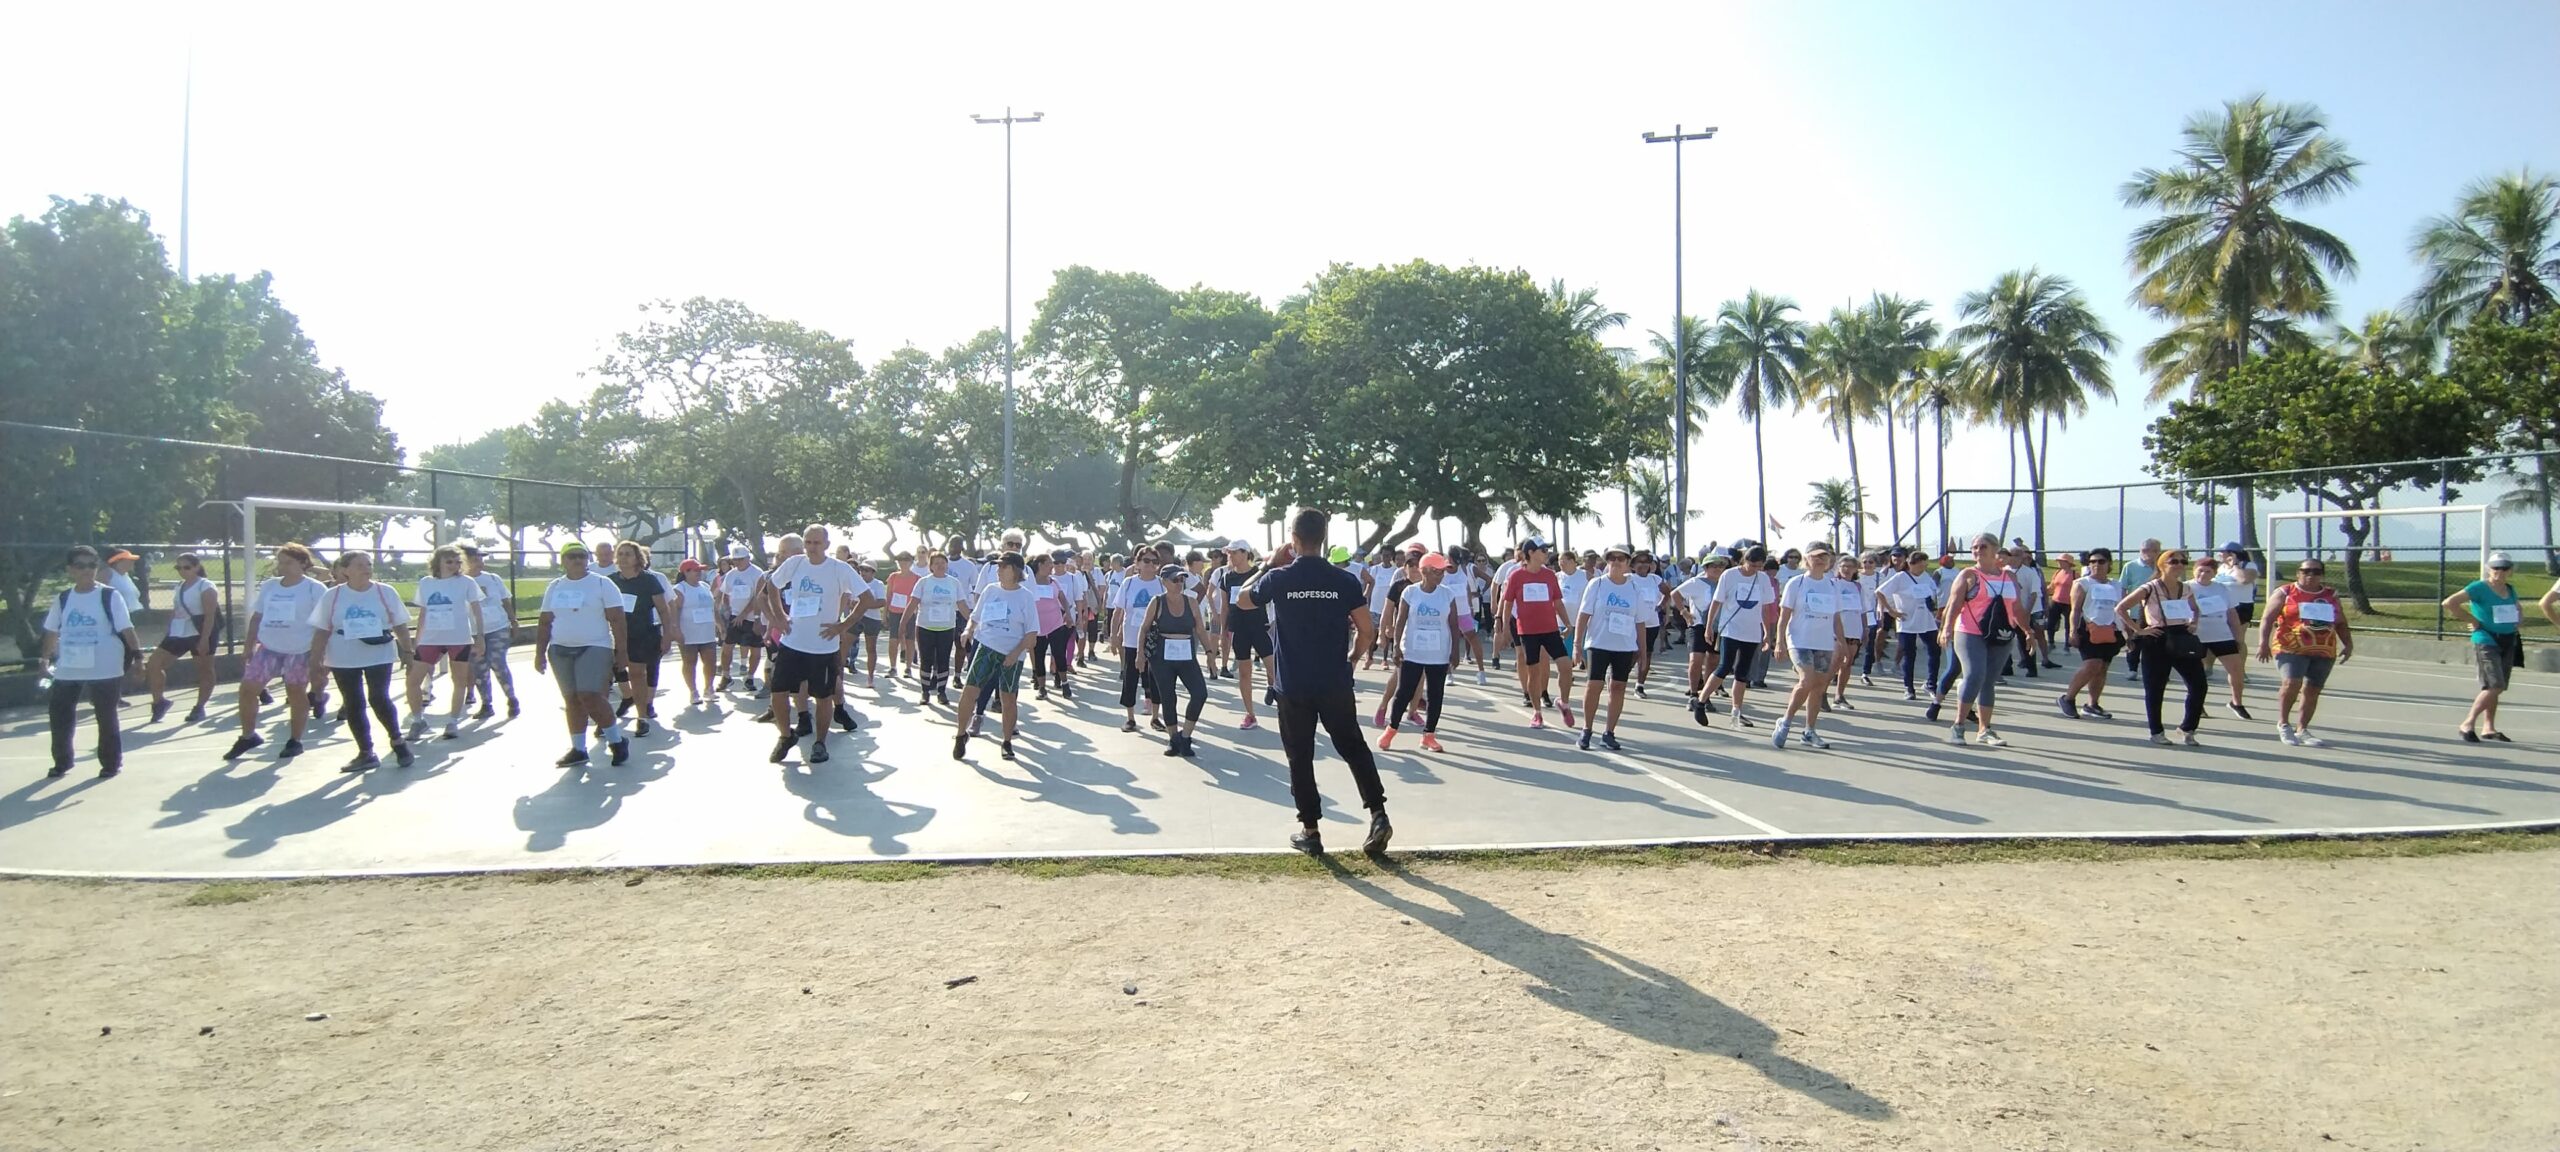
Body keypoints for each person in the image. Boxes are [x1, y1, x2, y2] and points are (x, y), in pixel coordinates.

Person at [1233, 509, 1392, 856]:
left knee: (1299, 756)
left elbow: (1242, 599)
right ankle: (1378, 813)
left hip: (1294, 684)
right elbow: (1368, 630)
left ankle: (1311, 829)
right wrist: (1352, 659)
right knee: (1353, 747)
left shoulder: (1279, 578)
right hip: (1334, 680)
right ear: (1324, 539)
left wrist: (1267, 565)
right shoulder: (1345, 580)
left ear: (1293, 539)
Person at [758, 526, 871, 765]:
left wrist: (842, 626)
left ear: (827, 545)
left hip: (823, 647)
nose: (812, 547)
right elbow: (771, 586)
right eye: (808, 542)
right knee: (778, 692)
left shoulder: (839, 569)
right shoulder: (795, 563)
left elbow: (867, 599)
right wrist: (779, 617)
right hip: (793, 642)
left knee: (823, 697)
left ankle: (820, 743)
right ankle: (786, 736)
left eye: (817, 543)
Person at [307, 552, 416, 772]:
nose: (366, 568)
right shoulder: (333, 596)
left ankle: (398, 741)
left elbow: (400, 625)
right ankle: (366, 752)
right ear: (345, 570)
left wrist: (407, 651)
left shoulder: (385, 592)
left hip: (378, 653)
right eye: (359, 565)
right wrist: (314, 660)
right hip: (343, 655)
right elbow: (322, 630)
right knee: (353, 702)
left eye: (368, 564)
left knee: (378, 697)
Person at [39, 546, 142, 779]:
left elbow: (127, 628)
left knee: (106, 715)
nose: (87, 570)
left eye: (91, 565)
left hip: (104, 665)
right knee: (60, 713)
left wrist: (138, 657)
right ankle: (62, 762)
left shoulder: (109, 595)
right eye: (80, 566)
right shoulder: (64, 598)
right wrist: (44, 658)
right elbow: (52, 631)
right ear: (70, 570)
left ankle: (110, 764)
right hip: (69, 666)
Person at [1930, 534, 2040, 746]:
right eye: (1975, 547)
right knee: (1974, 675)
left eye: (1983, 547)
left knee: (1989, 680)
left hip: (2001, 633)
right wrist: (1946, 629)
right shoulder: (1968, 574)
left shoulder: (2008, 577)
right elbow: (1954, 604)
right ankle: (1958, 726)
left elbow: (2016, 608)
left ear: (1995, 550)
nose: (1978, 551)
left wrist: (2028, 631)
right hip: (1970, 632)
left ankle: (1984, 729)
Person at [226, 543, 327, 761]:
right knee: (247, 689)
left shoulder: (314, 589)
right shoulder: (271, 586)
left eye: (288, 562)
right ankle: (248, 735)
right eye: (280, 562)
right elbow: (257, 616)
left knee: (295, 691)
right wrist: (248, 646)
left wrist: (319, 656)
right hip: (269, 647)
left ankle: (295, 740)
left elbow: (324, 624)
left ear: (302, 563)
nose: (282, 566)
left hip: (300, 649)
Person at [534, 541, 630, 768]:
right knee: (572, 699)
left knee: (590, 695)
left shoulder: (601, 583)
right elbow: (545, 621)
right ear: (563, 560)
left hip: (595, 646)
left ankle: (616, 741)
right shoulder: (555, 586)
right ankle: (578, 748)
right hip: (560, 648)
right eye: (571, 556)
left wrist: (622, 651)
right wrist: (539, 653)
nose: (577, 560)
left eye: (581, 556)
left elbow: (617, 619)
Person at [951, 551, 1041, 762]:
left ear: (1014, 570)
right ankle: (960, 734)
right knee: (969, 691)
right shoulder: (991, 591)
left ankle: (1007, 742)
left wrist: (1015, 654)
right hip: (987, 648)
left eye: (1003, 566)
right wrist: (968, 631)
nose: (998, 570)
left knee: (1008, 699)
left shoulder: (1025, 596)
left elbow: (1031, 635)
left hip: (1012, 654)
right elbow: (975, 617)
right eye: (998, 566)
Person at [2118, 548, 2212, 745]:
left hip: (2181, 636)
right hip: (2157, 637)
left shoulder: (2185, 588)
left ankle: (2188, 728)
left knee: (2199, 684)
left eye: (2182, 562)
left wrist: (2193, 623)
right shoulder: (2150, 587)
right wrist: (2139, 630)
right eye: (2174, 561)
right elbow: (2121, 608)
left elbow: (2195, 609)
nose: (2179, 565)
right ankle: (2156, 731)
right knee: (2155, 687)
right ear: (2162, 565)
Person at [2257, 558, 2353, 747]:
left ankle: (2302, 728)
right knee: (2292, 683)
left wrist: (2348, 644)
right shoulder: (2286, 592)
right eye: (2306, 571)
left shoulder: (2330, 594)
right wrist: (2263, 643)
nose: (2311, 575)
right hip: (2290, 646)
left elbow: (2340, 621)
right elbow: (2267, 618)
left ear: (2322, 575)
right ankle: (2284, 723)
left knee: (2313, 689)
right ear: (2298, 573)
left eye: (2316, 572)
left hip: (2323, 648)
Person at [1381, 551, 1462, 751]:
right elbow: (1400, 622)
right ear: (1424, 571)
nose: (1441, 575)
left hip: (1438, 653)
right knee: (1403, 692)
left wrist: (1455, 651)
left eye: (1443, 572)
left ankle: (1429, 735)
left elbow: (1453, 624)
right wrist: (1396, 648)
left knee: (1436, 695)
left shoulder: (1447, 594)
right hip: (1412, 652)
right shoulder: (1410, 593)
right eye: (1436, 571)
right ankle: (1391, 729)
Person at [405, 544, 485, 742]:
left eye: (458, 562)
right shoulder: (426, 583)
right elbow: (423, 612)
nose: (454, 565)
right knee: (413, 680)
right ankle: (417, 720)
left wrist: (480, 636)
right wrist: (418, 637)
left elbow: (476, 609)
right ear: (438, 562)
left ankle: (453, 721)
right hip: (431, 640)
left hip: (459, 638)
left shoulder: (466, 582)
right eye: (449, 561)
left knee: (459, 681)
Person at [1772, 542, 1848, 749]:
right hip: (1799, 640)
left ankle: (1809, 730)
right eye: (1815, 556)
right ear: (1807, 559)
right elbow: (1784, 616)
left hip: (1823, 642)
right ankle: (1786, 721)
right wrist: (1779, 641)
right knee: (1806, 680)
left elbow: (1836, 618)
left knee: (1818, 686)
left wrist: (1842, 643)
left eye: (1824, 556)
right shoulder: (1796, 583)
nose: (1820, 560)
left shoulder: (1833, 585)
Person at [1572, 546, 1649, 750]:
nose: (1616, 561)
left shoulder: (1634, 588)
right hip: (1598, 644)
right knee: (1594, 685)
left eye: (1621, 558)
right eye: (1612, 558)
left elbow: (1640, 622)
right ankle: (1587, 729)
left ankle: (1609, 732)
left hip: (1624, 646)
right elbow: (1583, 615)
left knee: (1618, 687)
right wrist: (1577, 644)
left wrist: (1643, 651)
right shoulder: (1597, 585)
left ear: (1627, 562)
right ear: (1607, 561)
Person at [2444, 552, 2525, 743]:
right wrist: (2473, 621)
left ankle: (2489, 727)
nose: (2500, 572)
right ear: (2489, 568)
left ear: (2511, 570)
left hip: (2508, 638)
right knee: (2494, 684)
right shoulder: (2479, 587)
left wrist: (2518, 620)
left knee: (2498, 686)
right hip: (2486, 638)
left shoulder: (2509, 589)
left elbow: (2517, 607)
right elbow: (2450, 603)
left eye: (2504, 568)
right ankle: (2468, 723)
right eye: (2496, 567)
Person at [1694, 545, 1777, 728]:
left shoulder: (1763, 579)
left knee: (1742, 673)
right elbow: (1717, 602)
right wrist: (1708, 627)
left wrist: (1767, 634)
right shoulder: (1729, 575)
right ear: (1744, 560)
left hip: (1752, 632)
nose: (1754, 569)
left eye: (1758, 566)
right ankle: (1701, 701)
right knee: (1724, 667)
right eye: (1751, 564)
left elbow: (1765, 608)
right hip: (1731, 629)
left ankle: (1737, 711)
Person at [1133, 561, 1211, 756]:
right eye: (1175, 580)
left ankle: (1186, 736)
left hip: (1186, 654)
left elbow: (1200, 629)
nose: (1179, 583)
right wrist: (1140, 654)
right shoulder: (1157, 602)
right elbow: (1143, 629)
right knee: (1168, 697)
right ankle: (1173, 738)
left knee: (1200, 693)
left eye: (1182, 579)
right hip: (1162, 656)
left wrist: (1210, 653)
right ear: (1164, 581)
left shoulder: (1191, 602)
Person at [1500, 539, 1577, 731]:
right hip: (1528, 632)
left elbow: (1557, 602)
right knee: (1534, 673)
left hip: (1550, 629)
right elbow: (1507, 603)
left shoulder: (1549, 575)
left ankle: (1564, 703)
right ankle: (1537, 713)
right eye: (1543, 550)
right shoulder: (1516, 576)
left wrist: (1567, 623)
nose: (1546, 553)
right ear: (1531, 552)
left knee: (1566, 666)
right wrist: (1504, 629)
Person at [606, 541, 678, 737]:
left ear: (638, 558)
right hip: (614, 635)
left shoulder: (649, 580)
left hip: (643, 634)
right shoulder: (610, 581)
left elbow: (663, 609)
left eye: (628, 554)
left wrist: (668, 635)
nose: (623, 558)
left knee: (637, 674)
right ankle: (604, 722)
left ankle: (642, 717)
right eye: (620, 554)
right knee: (605, 677)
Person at [145, 551, 222, 724]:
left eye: (186, 567)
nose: (182, 571)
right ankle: (159, 702)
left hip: (201, 631)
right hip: (179, 631)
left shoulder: (205, 586)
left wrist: (204, 639)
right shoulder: (180, 586)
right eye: (178, 567)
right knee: (154, 664)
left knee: (204, 669)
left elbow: (210, 616)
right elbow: (176, 609)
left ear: (196, 567)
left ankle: (200, 706)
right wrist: (169, 629)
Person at [2057, 548, 2126, 720]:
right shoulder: (2083, 583)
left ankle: (2092, 704)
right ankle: (2068, 698)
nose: (2096, 565)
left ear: (2109, 564)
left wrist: (2128, 632)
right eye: (2092, 562)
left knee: (2102, 668)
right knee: (2092, 665)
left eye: (2101, 561)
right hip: (2088, 628)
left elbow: (2121, 610)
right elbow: (2076, 609)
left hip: (2111, 630)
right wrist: (2072, 631)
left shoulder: (2116, 585)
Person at [1214, 541, 1272, 730]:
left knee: (1274, 671)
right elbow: (1224, 607)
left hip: (1260, 627)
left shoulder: (1259, 573)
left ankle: (1276, 691)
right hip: (1239, 629)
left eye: (1232, 552)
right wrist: (1223, 632)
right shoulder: (1226, 577)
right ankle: (1250, 715)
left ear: (1244, 553)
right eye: (1228, 553)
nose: (1229, 556)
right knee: (1244, 673)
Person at [461, 545, 520, 720]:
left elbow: (505, 600)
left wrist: (513, 620)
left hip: (497, 627)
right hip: (472, 631)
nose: (479, 562)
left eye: (481, 558)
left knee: (497, 661)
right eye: (474, 559)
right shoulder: (460, 582)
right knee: (479, 667)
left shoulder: (493, 579)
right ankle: (486, 704)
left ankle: (512, 698)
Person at [1110, 550, 1167, 732]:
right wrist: (1113, 636)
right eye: (1146, 561)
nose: (1151, 565)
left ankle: (1156, 717)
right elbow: (1118, 611)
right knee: (1130, 678)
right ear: (1137, 563)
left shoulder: (1160, 584)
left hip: (1154, 640)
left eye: (1154, 562)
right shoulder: (1128, 583)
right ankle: (1130, 717)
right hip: (1131, 640)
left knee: (1155, 679)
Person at [2191, 555, 2251, 719]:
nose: (2203, 574)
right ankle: (2198, 705)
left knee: (2236, 670)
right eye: (2200, 570)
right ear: (2194, 570)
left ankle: (2236, 702)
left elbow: (2231, 613)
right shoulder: (2186, 587)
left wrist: (2238, 636)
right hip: (2197, 636)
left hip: (2221, 634)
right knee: (2199, 674)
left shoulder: (2221, 588)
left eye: (2208, 571)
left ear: (2214, 573)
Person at [1878, 550, 1942, 701]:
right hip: (1907, 621)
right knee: (1909, 654)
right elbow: (1880, 592)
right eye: (1921, 565)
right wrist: (1892, 611)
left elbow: (1934, 595)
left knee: (1935, 651)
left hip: (1926, 620)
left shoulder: (1926, 577)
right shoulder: (1901, 577)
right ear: (1911, 564)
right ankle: (1909, 687)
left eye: (1925, 565)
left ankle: (1931, 683)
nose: (1923, 568)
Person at [907, 550, 966, 707]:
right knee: (925, 660)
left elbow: (962, 606)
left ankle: (941, 691)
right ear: (930, 566)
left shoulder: (954, 583)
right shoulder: (924, 582)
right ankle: (925, 691)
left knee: (943, 660)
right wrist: (903, 623)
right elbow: (912, 603)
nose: (940, 566)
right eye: (936, 563)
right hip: (925, 627)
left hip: (946, 628)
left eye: (943, 563)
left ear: (947, 565)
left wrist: (974, 623)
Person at [716, 545, 767, 694]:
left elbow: (757, 597)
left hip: (753, 618)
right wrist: (722, 608)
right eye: (735, 560)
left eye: (740, 559)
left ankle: (750, 678)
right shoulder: (731, 574)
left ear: (748, 558)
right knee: (727, 647)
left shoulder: (757, 574)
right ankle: (726, 676)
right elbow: (724, 592)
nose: (737, 563)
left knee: (755, 649)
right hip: (734, 616)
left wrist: (744, 614)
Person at [671, 557, 722, 707]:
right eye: (695, 570)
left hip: (706, 632)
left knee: (711, 662)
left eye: (700, 570)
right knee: (690, 662)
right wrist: (676, 630)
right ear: (686, 572)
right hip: (689, 633)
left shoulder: (705, 586)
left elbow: (713, 608)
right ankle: (693, 691)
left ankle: (709, 688)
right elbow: (675, 611)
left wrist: (721, 626)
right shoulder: (680, 589)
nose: (699, 573)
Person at [1829, 553, 1868, 713]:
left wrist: (1865, 628)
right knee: (1835, 661)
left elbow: (1863, 610)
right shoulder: (1833, 583)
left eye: (1850, 566)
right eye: (1844, 566)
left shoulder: (1857, 587)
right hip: (1838, 628)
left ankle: (1839, 694)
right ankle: (1821, 692)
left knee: (1847, 662)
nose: (1847, 569)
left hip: (1854, 627)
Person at [2120, 538, 2163, 681]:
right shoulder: (2130, 566)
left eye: (2154, 550)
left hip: (2157, 612)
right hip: (2135, 610)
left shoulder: (2163, 567)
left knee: (2155, 642)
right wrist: (2124, 607)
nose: (2149, 554)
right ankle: (2132, 668)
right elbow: (2123, 588)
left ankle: (2155, 670)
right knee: (2135, 641)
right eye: (2144, 550)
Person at [884, 551, 920, 681]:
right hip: (894, 612)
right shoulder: (893, 577)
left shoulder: (917, 578)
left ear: (911, 562)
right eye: (900, 560)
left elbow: (918, 598)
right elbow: (888, 596)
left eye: (906, 560)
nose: (903, 563)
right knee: (894, 640)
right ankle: (893, 667)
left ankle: (908, 667)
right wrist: (885, 614)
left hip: (910, 613)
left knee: (910, 640)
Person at [2217, 544, 2259, 627]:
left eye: (2222, 552)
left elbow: (2244, 580)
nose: (2219, 554)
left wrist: (2235, 565)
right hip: (2224, 605)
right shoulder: (2221, 568)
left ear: (2232, 554)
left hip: (2241, 606)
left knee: (2237, 636)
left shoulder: (2248, 565)